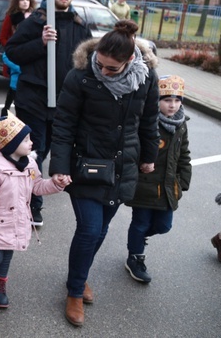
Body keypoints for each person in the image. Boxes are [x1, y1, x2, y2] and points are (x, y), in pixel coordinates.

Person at [49, 20, 159, 327]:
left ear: (129, 62)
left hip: (123, 167)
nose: (104, 71)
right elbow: (64, 124)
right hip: (86, 166)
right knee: (89, 228)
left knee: (100, 230)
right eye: (100, 64)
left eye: (112, 68)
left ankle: (78, 275)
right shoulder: (81, 76)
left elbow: (149, 121)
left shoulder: (146, 77)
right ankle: (74, 291)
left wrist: (149, 157)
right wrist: (58, 167)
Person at [5, 0, 92, 227]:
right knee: (35, 151)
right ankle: (32, 204)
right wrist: (40, 42)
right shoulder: (37, 21)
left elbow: (87, 63)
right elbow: (12, 52)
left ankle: (34, 190)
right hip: (34, 98)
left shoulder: (79, 25)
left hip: (65, 102)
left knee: (55, 150)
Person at [0, 113, 68, 308]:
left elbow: (37, 186)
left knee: (6, 257)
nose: (31, 143)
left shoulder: (30, 164)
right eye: (25, 139)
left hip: (16, 221)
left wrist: (56, 184)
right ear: (11, 145)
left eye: (29, 138)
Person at [124, 75, 191, 283]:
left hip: (168, 187)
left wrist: (184, 180)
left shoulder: (181, 124)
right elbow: (133, 148)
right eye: (167, 100)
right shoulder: (147, 122)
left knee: (164, 226)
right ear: (157, 100)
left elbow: (184, 153)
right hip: (144, 186)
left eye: (177, 100)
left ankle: (139, 237)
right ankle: (135, 257)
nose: (172, 105)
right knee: (141, 222)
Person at [0, 0, 37, 116]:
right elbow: (3, 38)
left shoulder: (35, 17)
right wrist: (12, 49)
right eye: (22, 0)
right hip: (15, 55)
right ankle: (6, 114)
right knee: (14, 88)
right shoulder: (11, 16)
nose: (25, 2)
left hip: (30, 55)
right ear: (17, 2)